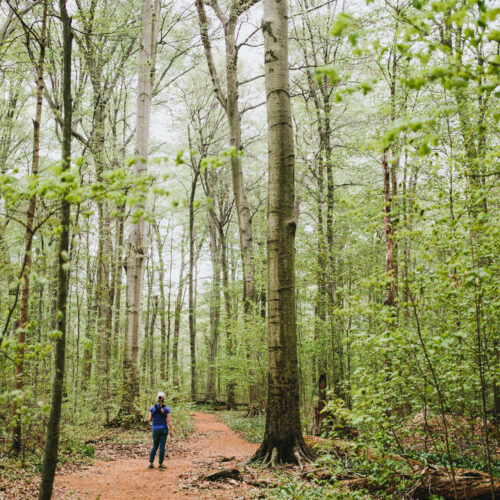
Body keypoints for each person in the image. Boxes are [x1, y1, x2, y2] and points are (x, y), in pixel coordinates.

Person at [147, 391, 174, 469]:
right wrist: (172, 431)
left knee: (155, 446)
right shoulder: (166, 409)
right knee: (162, 446)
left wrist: (150, 411)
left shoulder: (152, 408)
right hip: (163, 430)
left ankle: (151, 463)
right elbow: (169, 421)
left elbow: (149, 419)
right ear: (164, 399)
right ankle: (160, 464)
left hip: (155, 430)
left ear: (157, 398)